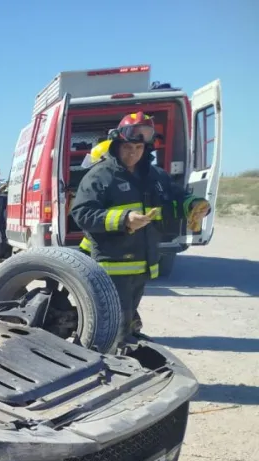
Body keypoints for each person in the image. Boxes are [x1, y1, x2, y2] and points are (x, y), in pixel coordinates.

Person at [71, 112, 211, 339]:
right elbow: (82, 214)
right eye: (128, 148)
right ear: (116, 145)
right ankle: (114, 354)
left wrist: (194, 205)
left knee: (128, 313)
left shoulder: (156, 176)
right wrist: (124, 219)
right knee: (114, 321)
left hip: (142, 263)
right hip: (111, 265)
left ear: (146, 149)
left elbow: (177, 197)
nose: (133, 153)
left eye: (138, 148)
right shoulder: (100, 176)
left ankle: (128, 340)